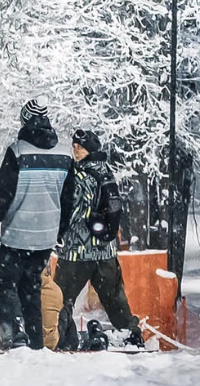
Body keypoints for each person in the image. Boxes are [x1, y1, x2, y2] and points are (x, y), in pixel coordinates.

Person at [0, 98, 71, 350]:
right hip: (45, 236)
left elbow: (1, 195)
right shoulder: (64, 153)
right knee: (32, 286)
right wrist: (61, 231)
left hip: (17, 234)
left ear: (24, 121)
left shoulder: (18, 151)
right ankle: (36, 342)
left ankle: (15, 332)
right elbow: (69, 198)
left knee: (4, 284)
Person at [54, 129, 142, 349]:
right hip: (105, 251)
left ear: (90, 150)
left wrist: (59, 230)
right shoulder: (106, 172)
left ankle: (54, 336)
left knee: (59, 299)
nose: (75, 151)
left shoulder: (79, 176)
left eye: (80, 147)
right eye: (74, 146)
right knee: (115, 300)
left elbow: (73, 213)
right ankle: (131, 336)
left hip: (77, 252)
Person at [40, 263, 64, 350]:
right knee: (65, 312)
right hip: (52, 342)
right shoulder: (55, 289)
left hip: (18, 340)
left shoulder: (15, 287)